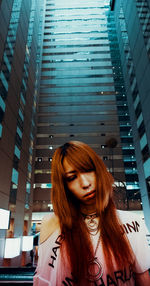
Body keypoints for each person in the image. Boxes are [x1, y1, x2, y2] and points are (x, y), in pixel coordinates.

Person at [33, 141, 150, 286]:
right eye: (72, 177)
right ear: (64, 186)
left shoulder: (132, 222)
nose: (85, 183)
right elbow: (43, 280)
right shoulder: (51, 224)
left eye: (88, 170)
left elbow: (142, 277)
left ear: (99, 171)